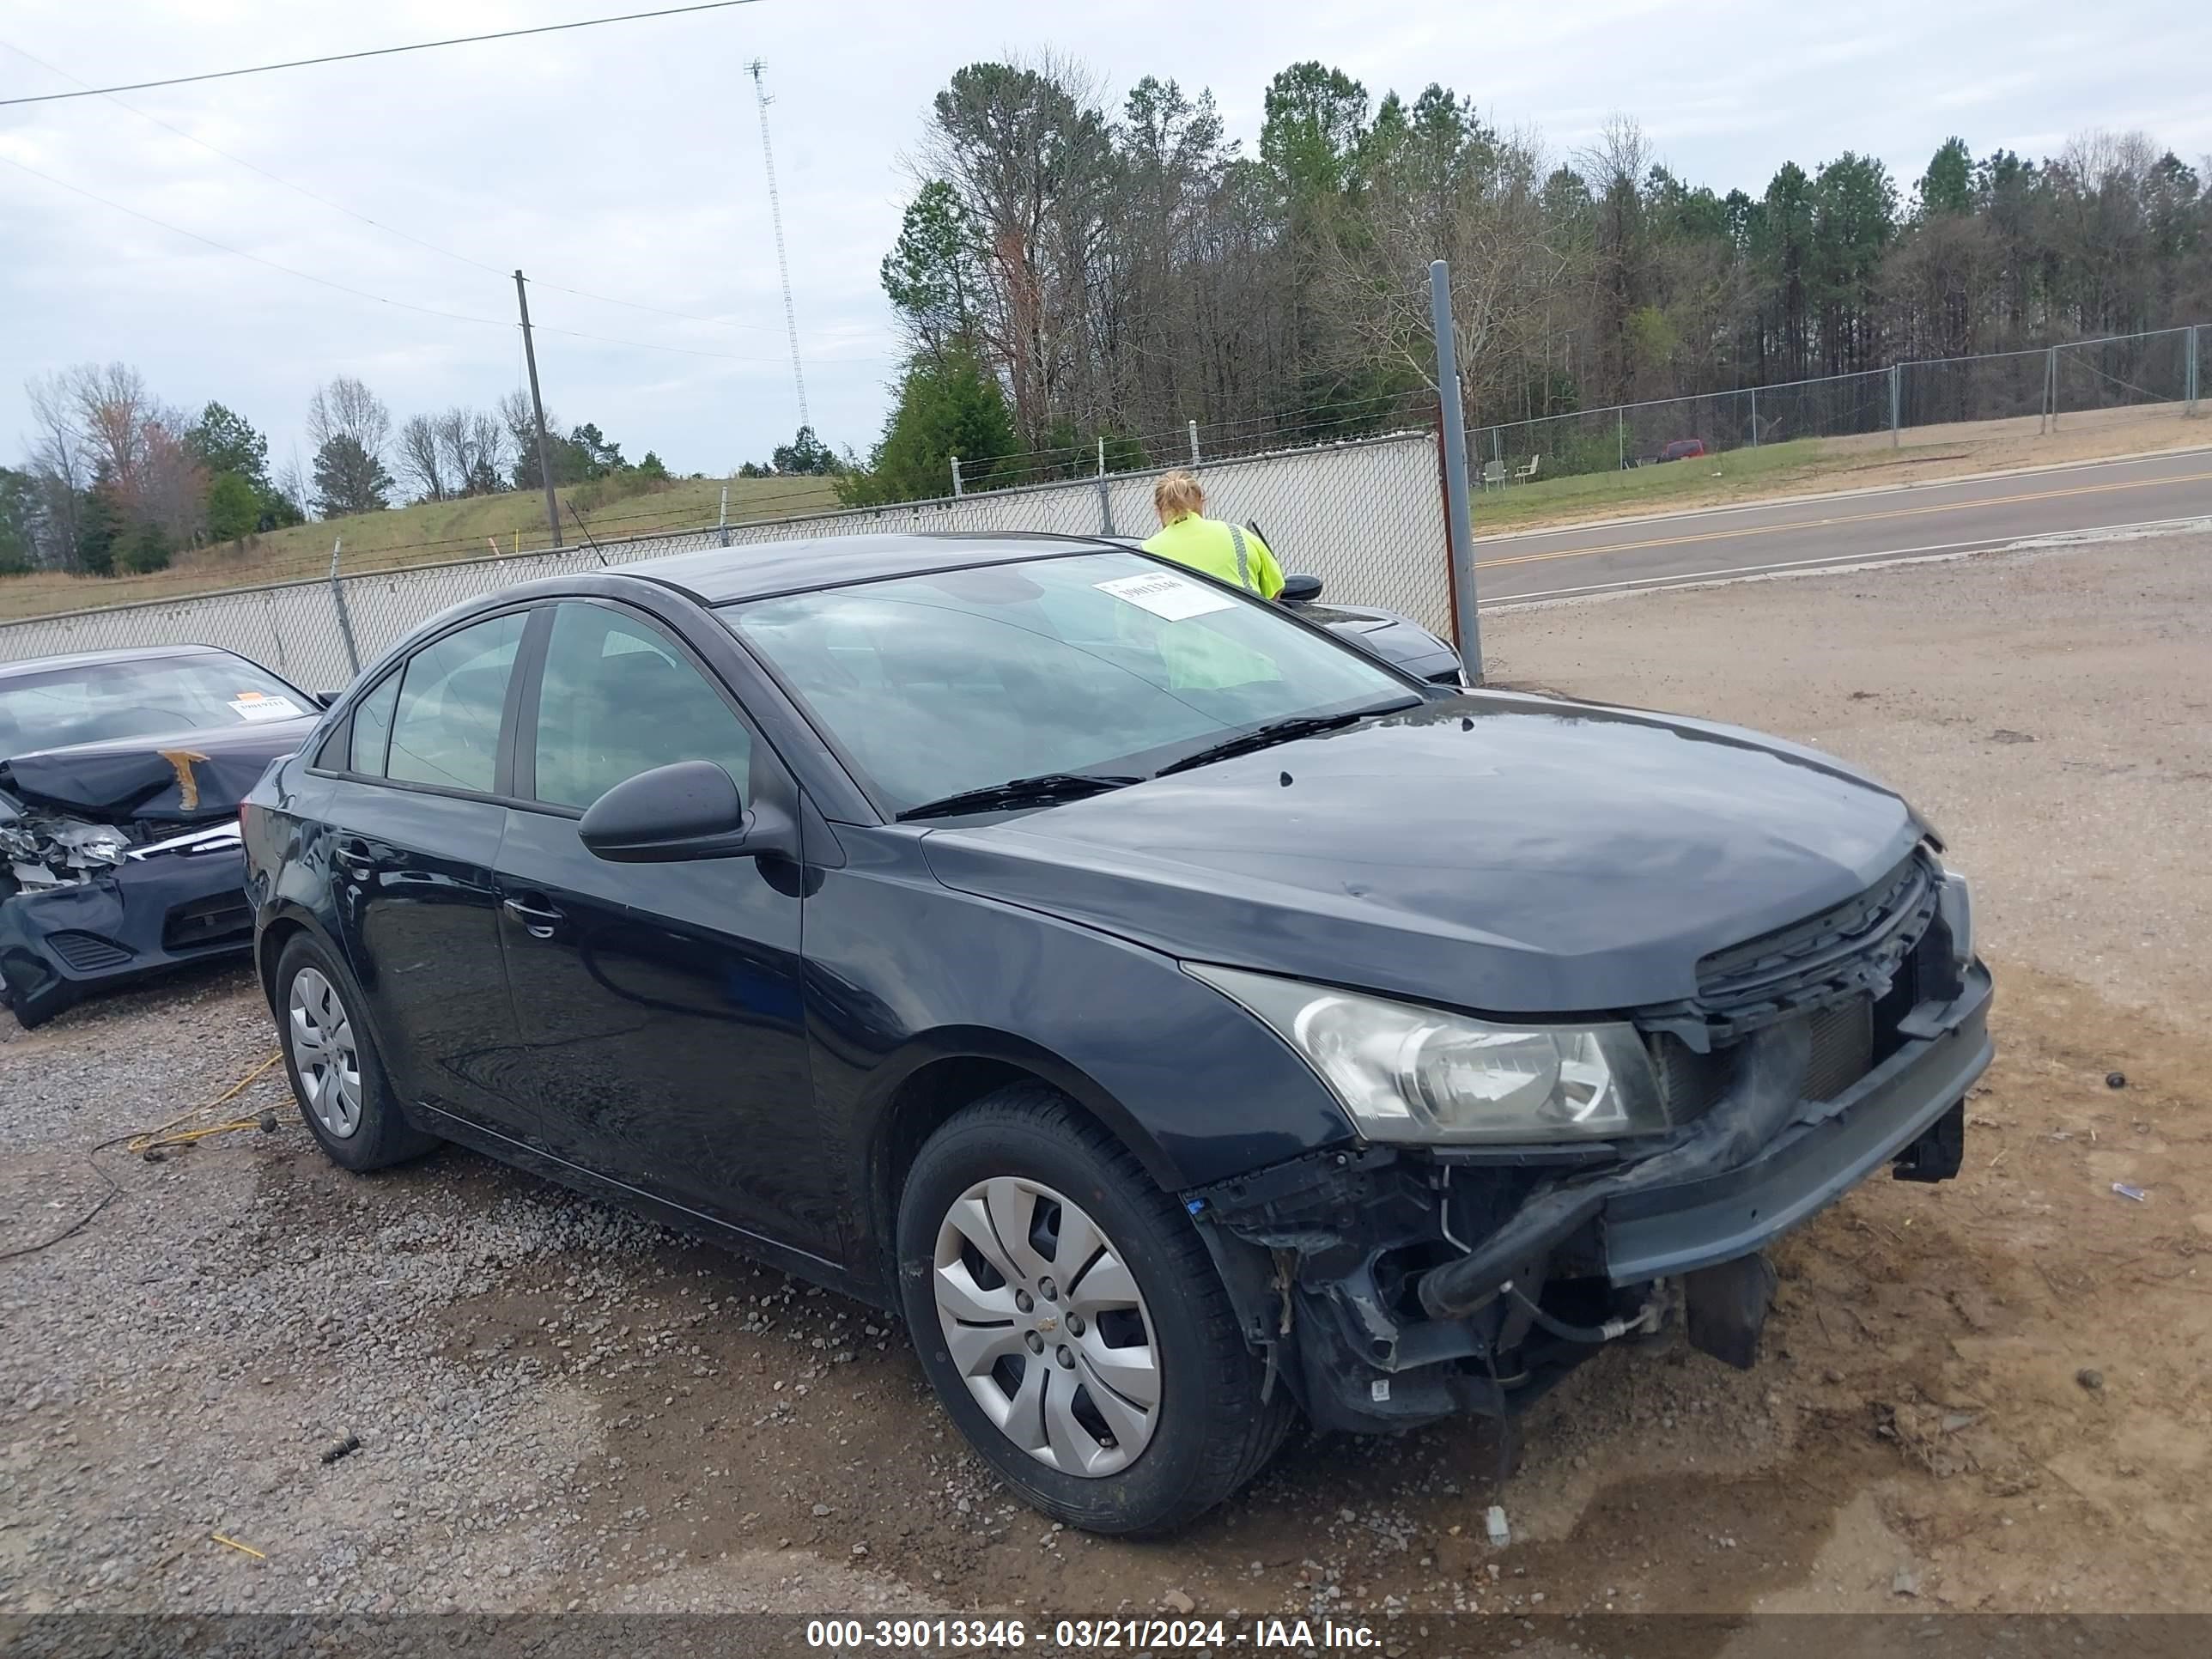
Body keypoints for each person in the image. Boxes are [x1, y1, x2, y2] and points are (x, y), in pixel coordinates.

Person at [1141, 470, 1285, 599]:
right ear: (1201, 501)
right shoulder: (1239, 534)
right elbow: (1275, 589)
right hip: (1242, 626)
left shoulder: (1144, 553)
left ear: (1158, 510)